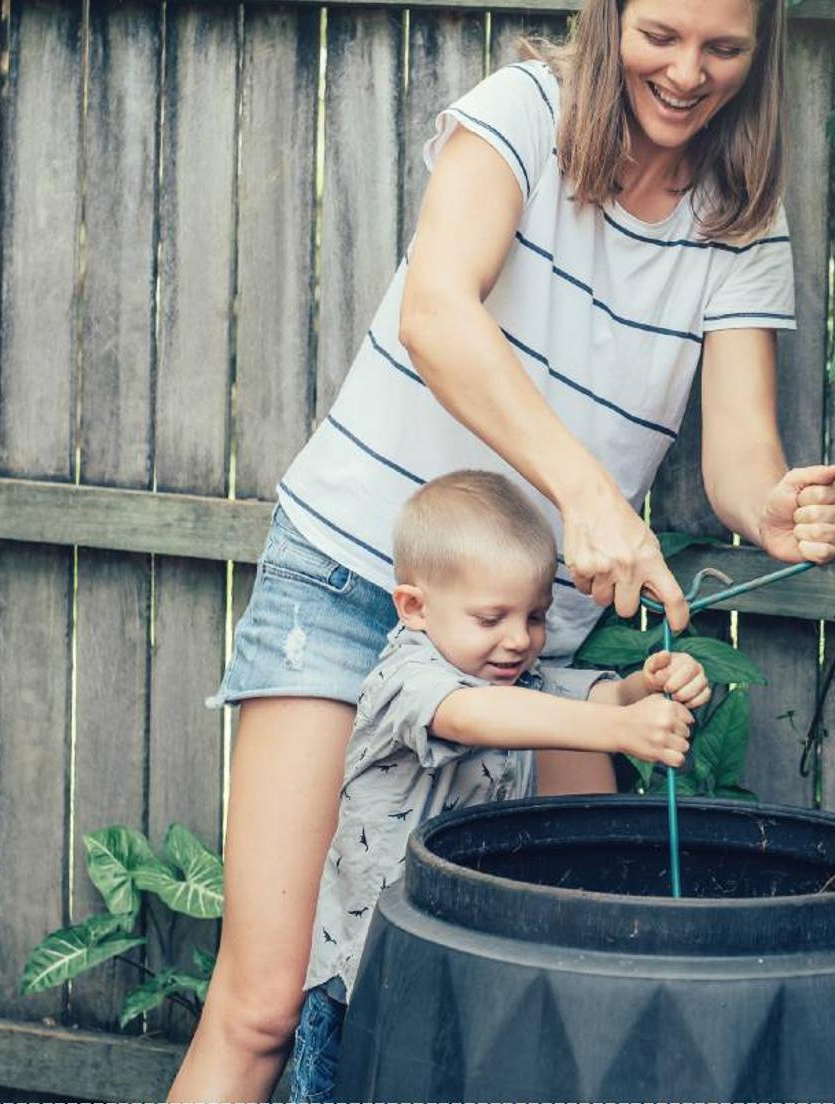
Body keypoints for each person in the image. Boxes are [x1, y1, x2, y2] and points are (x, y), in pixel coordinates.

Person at [169, 0, 835, 1101]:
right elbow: (440, 313)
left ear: (759, 57)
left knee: (528, 1000)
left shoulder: (742, 225)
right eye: (659, 35)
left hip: (536, 643)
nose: (687, 72)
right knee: (269, 1001)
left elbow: (736, 455)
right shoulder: (521, 113)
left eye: (722, 49)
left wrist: (777, 509)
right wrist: (588, 493)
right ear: (611, 16)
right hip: (352, 579)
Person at [282, 470, 709, 1102]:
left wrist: (647, 687)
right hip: (367, 971)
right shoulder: (409, 676)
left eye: (535, 616)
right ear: (415, 608)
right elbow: (468, 715)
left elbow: (598, 694)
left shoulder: (516, 676)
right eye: (492, 618)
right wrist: (619, 728)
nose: (519, 639)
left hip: (460, 962)